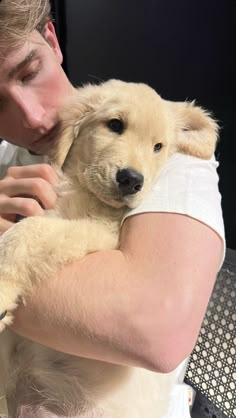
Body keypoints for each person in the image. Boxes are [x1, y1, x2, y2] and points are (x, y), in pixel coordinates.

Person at [0, 0, 225, 416]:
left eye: (30, 72)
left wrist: (9, 252)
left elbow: (153, 331)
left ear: (52, 40)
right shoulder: (5, 158)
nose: (30, 117)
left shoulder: (171, 156)